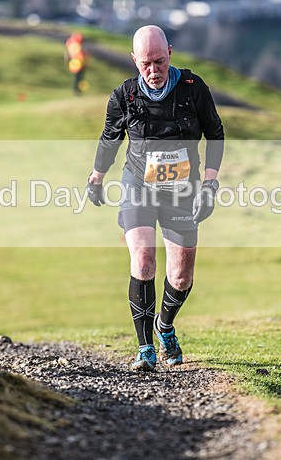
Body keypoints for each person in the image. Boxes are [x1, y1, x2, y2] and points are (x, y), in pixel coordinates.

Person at [87, 25, 224, 371]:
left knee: (180, 277)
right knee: (144, 259)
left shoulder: (193, 89)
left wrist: (210, 184)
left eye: (159, 61)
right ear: (134, 60)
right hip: (138, 184)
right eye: (145, 63)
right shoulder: (125, 96)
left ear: (170, 53)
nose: (153, 70)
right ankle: (145, 348)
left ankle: (165, 325)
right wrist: (97, 177)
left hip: (182, 190)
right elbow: (110, 137)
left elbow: (215, 133)